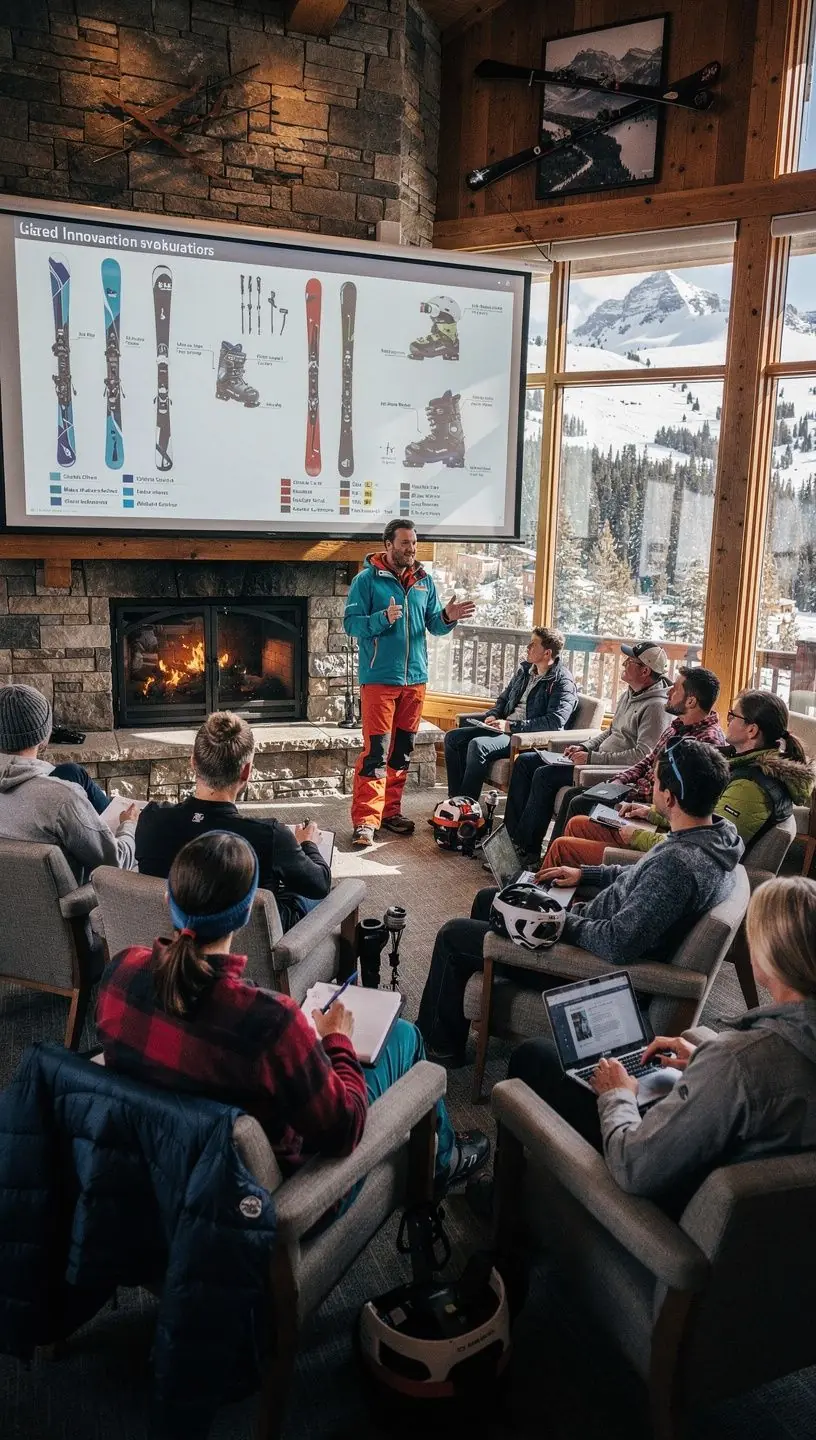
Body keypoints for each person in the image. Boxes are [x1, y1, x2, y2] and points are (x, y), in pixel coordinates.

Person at [97, 830, 489, 1190]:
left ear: (168, 898)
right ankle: (441, 1161)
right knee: (405, 1036)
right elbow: (344, 1129)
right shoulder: (270, 1020)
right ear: (248, 910)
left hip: (159, 1167)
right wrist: (337, 1041)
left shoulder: (121, 970)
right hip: (281, 1190)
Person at [416, 739, 741, 1066]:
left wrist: (555, 918)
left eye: (655, 783)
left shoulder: (677, 868)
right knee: (492, 898)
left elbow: (618, 943)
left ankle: (439, 1046)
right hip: (592, 927)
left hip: (588, 965)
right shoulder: (715, 836)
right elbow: (643, 876)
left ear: (669, 797)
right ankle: (480, 999)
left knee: (454, 936)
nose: (652, 789)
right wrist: (587, 874)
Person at [506, 874, 816, 1216]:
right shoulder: (741, 1061)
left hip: (675, 1206)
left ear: (770, 955)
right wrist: (704, 1062)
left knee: (534, 1057)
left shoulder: (736, 1064)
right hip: (768, 1226)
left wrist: (617, 1093)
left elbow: (634, 1167)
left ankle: (507, 1216)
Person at [343, 518, 475, 848]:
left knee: (401, 753)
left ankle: (390, 813)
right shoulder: (366, 581)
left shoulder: (424, 582)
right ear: (388, 545)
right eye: (405, 544)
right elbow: (351, 624)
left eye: (414, 543)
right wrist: (381, 619)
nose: (411, 549)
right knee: (376, 753)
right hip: (379, 681)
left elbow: (433, 624)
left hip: (415, 681)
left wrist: (448, 616)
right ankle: (365, 821)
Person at [136, 711, 331, 933]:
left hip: (167, 943)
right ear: (246, 771)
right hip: (251, 953)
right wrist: (308, 845)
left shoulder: (151, 818)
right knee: (308, 892)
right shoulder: (270, 835)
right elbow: (320, 884)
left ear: (193, 761)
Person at [591, 688, 815, 865]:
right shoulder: (744, 766)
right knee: (583, 823)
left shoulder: (750, 785)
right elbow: (703, 818)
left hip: (677, 861)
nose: (727, 720)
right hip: (677, 844)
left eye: (732, 715)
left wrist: (638, 836)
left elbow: (703, 844)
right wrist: (651, 814)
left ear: (752, 730)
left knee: (568, 842)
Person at [541, 665, 724, 869]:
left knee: (578, 801)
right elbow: (647, 760)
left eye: (675, 689)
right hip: (635, 792)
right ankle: (552, 865)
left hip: (647, 801)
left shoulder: (707, 742)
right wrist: (620, 780)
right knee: (574, 796)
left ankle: (558, 865)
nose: (669, 692)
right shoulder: (677, 725)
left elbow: (682, 796)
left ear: (691, 701)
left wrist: (638, 800)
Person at [503, 642, 670, 865]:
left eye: (630, 662)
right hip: (592, 758)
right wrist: (585, 747)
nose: (624, 663)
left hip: (606, 769)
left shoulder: (656, 707)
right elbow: (610, 732)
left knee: (545, 775)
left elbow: (642, 755)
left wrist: (592, 759)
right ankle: (512, 838)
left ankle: (529, 851)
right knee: (525, 761)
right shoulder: (629, 694)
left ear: (645, 670)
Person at [0, 682, 137, 876]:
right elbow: (115, 865)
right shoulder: (62, 799)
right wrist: (128, 826)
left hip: (11, 900)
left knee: (72, 771)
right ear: (44, 736)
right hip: (72, 901)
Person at [442, 627, 578, 801]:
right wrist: (494, 714)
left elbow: (554, 722)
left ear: (547, 653)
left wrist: (510, 726)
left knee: (478, 745)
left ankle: (467, 806)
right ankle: (455, 800)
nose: (527, 647)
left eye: (533, 644)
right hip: (504, 727)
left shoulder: (562, 681)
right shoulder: (526, 670)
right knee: (452, 738)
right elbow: (504, 698)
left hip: (522, 736)